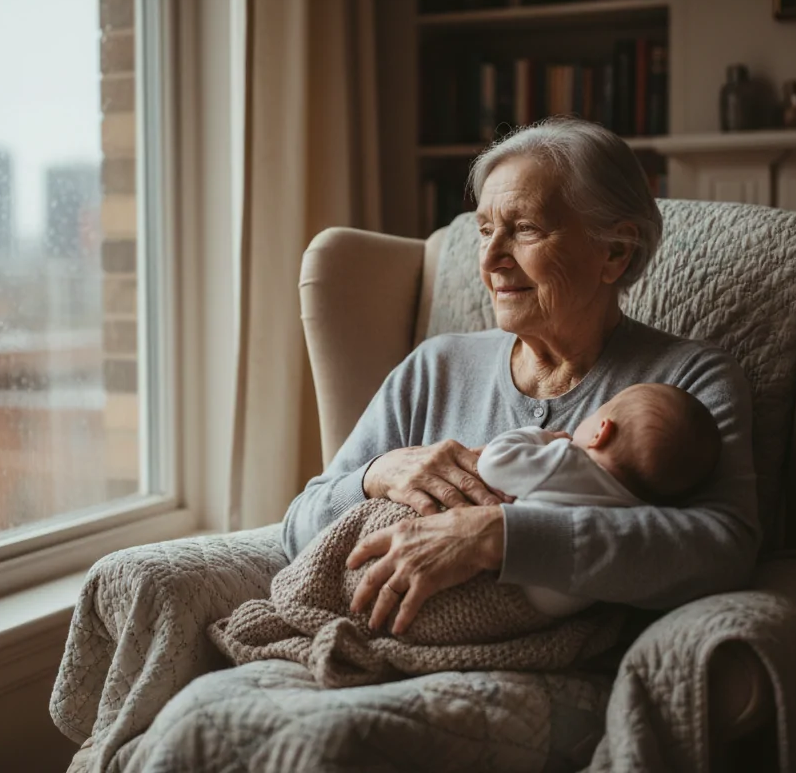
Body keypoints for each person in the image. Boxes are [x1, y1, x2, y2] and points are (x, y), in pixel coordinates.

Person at [283, 118, 759, 642]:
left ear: (615, 252)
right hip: (386, 640)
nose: (490, 259)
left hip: (559, 665)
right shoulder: (435, 368)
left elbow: (722, 549)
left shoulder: (688, 379)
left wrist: (501, 536)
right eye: (485, 230)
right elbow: (298, 528)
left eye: (525, 229)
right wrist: (377, 473)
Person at [477, 382, 723, 616]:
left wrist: (540, 438)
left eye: (596, 412)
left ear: (601, 432)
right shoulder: (637, 516)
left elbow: (492, 463)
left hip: (501, 580)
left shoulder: (566, 460)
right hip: (555, 611)